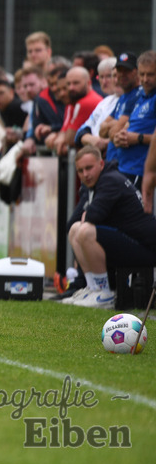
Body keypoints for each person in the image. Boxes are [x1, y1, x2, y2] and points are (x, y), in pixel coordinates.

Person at [63, 146, 156, 309]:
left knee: (85, 231)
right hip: (128, 241)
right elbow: (73, 222)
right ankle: (93, 288)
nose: (85, 174)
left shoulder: (110, 180)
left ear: (101, 164)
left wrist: (87, 215)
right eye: (80, 170)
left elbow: (93, 216)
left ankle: (104, 293)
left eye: (89, 168)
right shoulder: (95, 183)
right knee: (75, 230)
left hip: (146, 247)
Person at [111, 50, 156, 186]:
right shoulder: (140, 97)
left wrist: (137, 138)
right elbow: (126, 127)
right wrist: (120, 137)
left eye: (150, 74)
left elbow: (138, 136)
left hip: (141, 172)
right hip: (125, 168)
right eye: (142, 74)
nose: (145, 79)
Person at [45, 66, 103, 157]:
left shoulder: (86, 102)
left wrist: (60, 137)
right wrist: (58, 135)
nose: (71, 88)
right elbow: (65, 133)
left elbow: (70, 140)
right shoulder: (73, 102)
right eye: (68, 84)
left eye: (76, 83)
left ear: (88, 83)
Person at [74, 57, 120, 155]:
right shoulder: (104, 102)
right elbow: (81, 132)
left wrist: (104, 143)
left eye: (108, 76)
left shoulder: (129, 100)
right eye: (101, 77)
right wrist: (92, 140)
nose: (104, 81)